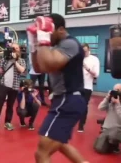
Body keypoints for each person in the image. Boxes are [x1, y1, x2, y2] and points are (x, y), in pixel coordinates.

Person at [27, 14, 89, 163]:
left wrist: (43, 39)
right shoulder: (56, 47)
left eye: (49, 31)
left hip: (68, 100)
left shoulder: (70, 43)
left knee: (42, 152)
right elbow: (39, 68)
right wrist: (34, 45)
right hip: (64, 100)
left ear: (60, 29)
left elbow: (49, 64)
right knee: (61, 144)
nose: (47, 35)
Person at [0, 43, 26, 131]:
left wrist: (15, 61)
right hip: (3, 84)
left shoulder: (21, 60)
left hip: (14, 85)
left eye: (16, 48)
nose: (15, 50)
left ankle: (8, 122)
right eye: (13, 48)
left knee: (10, 105)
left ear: (19, 50)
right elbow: (0, 71)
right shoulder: (5, 59)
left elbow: (22, 70)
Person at [94, 84, 121, 153]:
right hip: (107, 129)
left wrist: (118, 103)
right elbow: (100, 108)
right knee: (99, 148)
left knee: (113, 136)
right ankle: (109, 145)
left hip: (118, 130)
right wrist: (107, 97)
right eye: (114, 90)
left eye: (118, 90)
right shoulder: (111, 100)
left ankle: (115, 145)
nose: (116, 92)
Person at [78, 43, 100, 132]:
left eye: (85, 51)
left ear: (89, 50)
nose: (84, 53)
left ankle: (81, 124)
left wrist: (87, 68)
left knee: (83, 105)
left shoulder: (94, 59)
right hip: (77, 86)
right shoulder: (78, 59)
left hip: (87, 87)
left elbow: (96, 75)